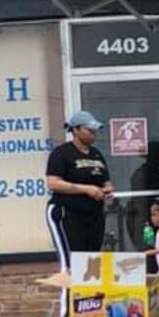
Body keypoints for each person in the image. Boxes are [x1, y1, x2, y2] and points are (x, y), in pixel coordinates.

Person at [45, 110, 113, 305]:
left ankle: (89, 308)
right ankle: (67, 314)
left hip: (93, 215)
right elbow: (53, 183)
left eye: (95, 130)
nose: (93, 133)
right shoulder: (61, 153)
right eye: (89, 129)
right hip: (67, 213)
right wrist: (86, 190)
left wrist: (107, 190)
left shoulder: (96, 154)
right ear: (75, 130)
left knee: (90, 263)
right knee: (72, 264)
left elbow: (106, 181)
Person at [126, 139, 159, 261]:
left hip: (146, 219)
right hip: (146, 222)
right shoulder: (148, 174)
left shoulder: (150, 172)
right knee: (151, 253)